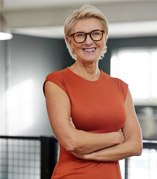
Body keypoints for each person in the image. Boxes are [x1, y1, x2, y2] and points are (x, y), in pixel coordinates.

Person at [43, 4, 143, 179]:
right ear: (70, 41)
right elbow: (71, 141)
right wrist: (116, 137)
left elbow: (135, 145)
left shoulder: (120, 87)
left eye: (95, 33)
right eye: (80, 35)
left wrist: (89, 154)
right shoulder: (57, 82)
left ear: (105, 37)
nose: (88, 41)